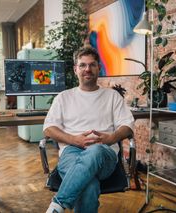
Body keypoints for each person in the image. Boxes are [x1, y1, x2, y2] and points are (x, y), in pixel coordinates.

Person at [44, 46, 134, 213]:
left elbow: (128, 125)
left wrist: (111, 138)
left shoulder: (112, 96)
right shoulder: (64, 97)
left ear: (99, 68)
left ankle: (58, 204)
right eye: (83, 65)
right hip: (71, 152)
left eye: (92, 65)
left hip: (105, 154)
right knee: (89, 185)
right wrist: (74, 140)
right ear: (75, 69)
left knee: (96, 149)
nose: (88, 69)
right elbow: (48, 129)